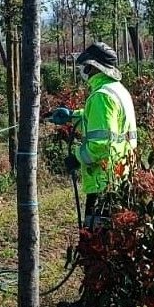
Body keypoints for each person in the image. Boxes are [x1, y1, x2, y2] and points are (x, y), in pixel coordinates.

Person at [45, 42, 139, 227]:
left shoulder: (101, 97)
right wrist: (72, 116)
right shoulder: (117, 90)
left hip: (103, 180)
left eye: (85, 66)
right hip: (122, 176)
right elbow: (101, 122)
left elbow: (101, 143)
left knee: (97, 237)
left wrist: (77, 158)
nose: (83, 70)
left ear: (93, 67)